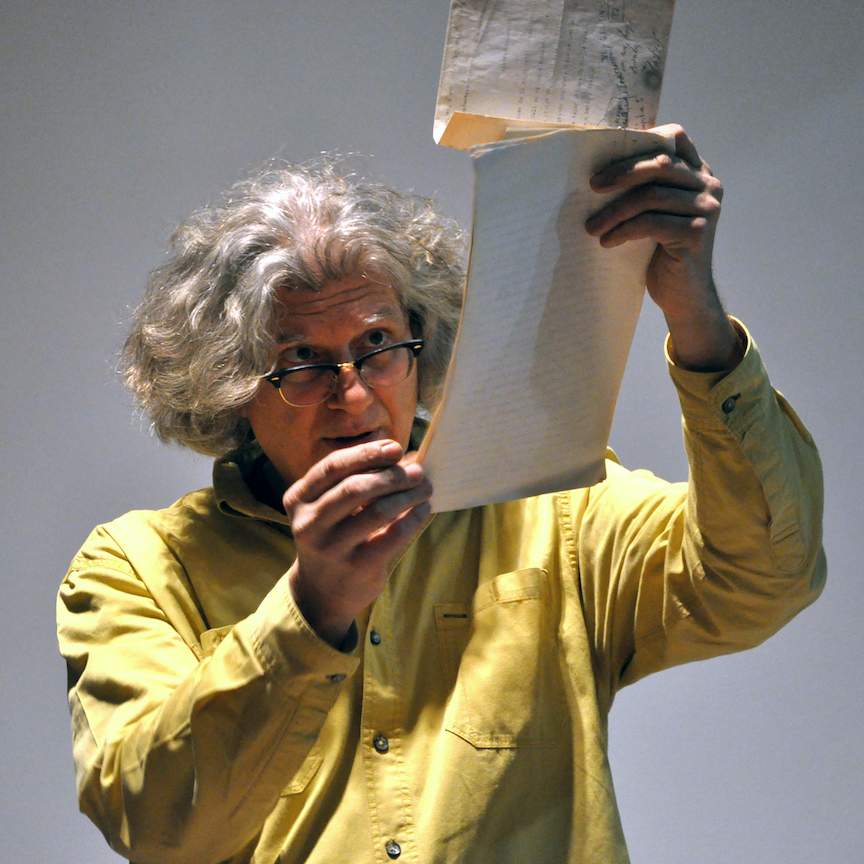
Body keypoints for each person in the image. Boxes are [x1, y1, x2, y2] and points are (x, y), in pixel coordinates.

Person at [57, 125, 825, 864]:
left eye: (378, 346)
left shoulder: (550, 509)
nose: (353, 398)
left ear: (422, 344)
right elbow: (156, 822)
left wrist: (696, 316)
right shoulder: (135, 565)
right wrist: (310, 612)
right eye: (302, 360)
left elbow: (764, 577)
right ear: (233, 386)